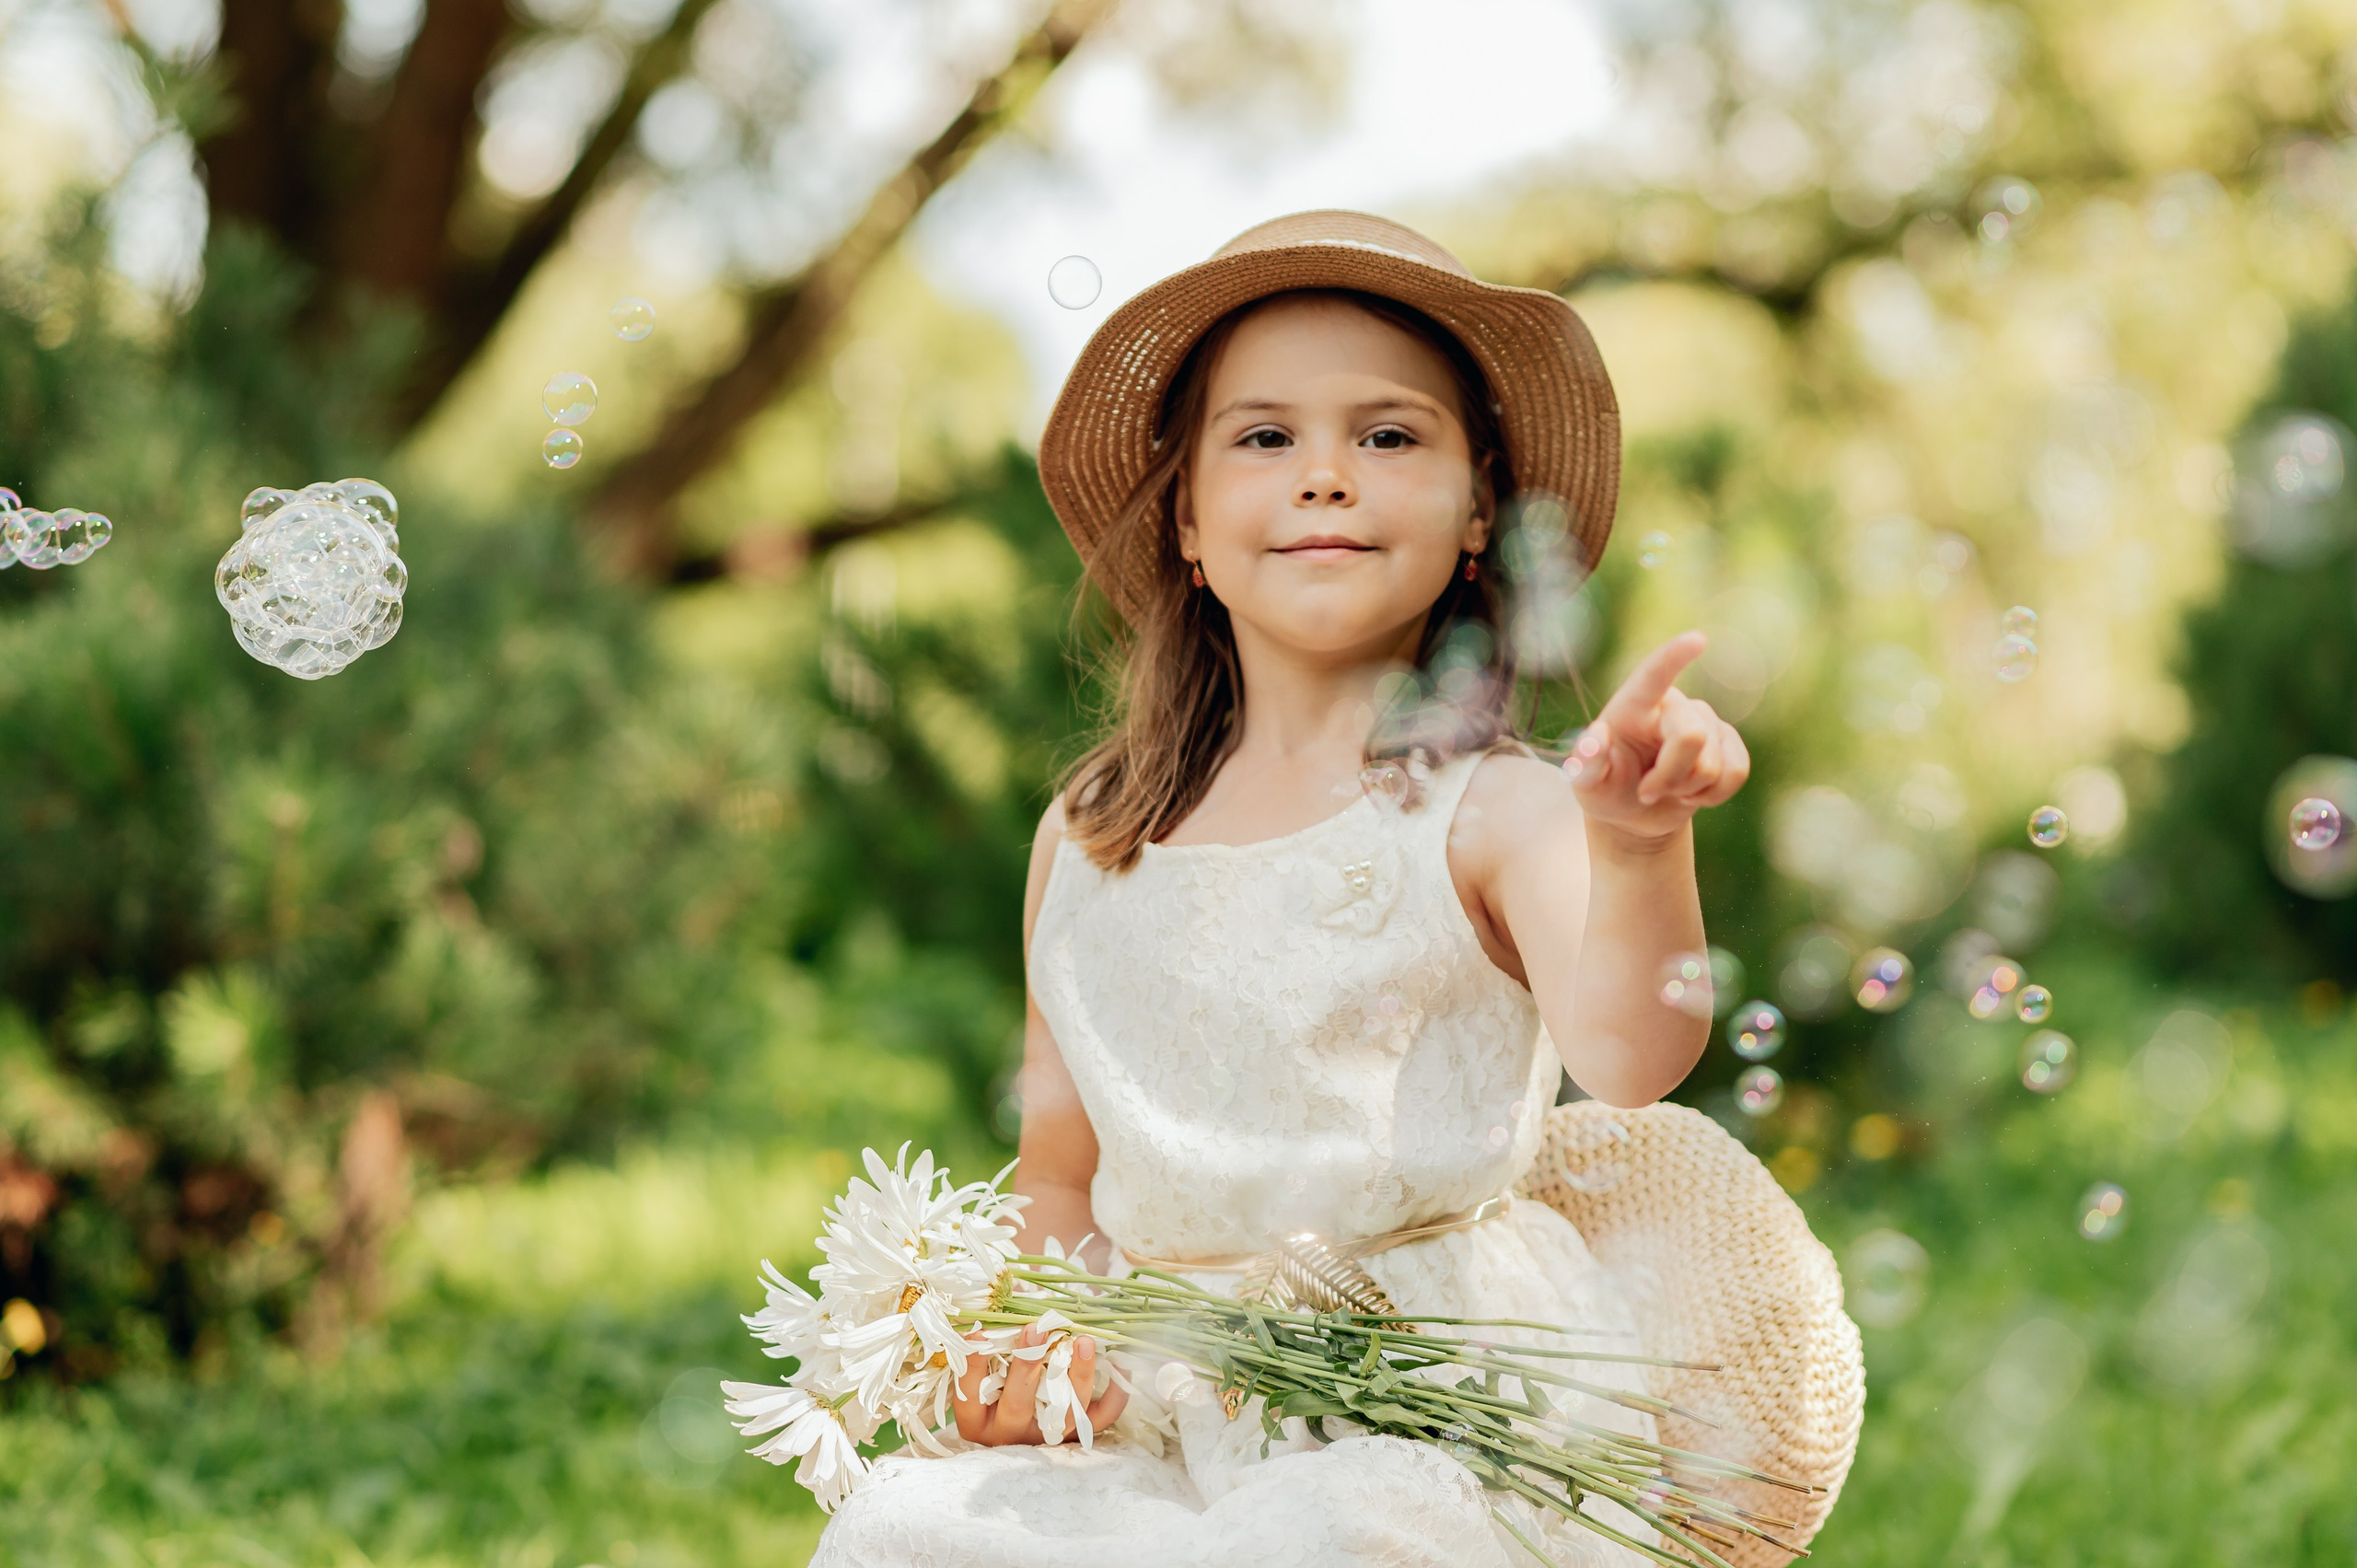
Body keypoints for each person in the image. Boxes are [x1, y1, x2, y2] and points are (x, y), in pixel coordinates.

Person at [809, 211, 1751, 1568]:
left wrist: (1642, 846)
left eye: (1388, 435)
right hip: (1155, 1397)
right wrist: (1031, 1343)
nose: (1326, 476)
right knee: (898, 1531)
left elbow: (1636, 1052)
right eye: (1264, 438)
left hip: (1427, 1408)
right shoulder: (1091, 833)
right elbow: (1061, 1174)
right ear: (1188, 519)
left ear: (1480, 508)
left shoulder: (1500, 809)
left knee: (1333, 1535)